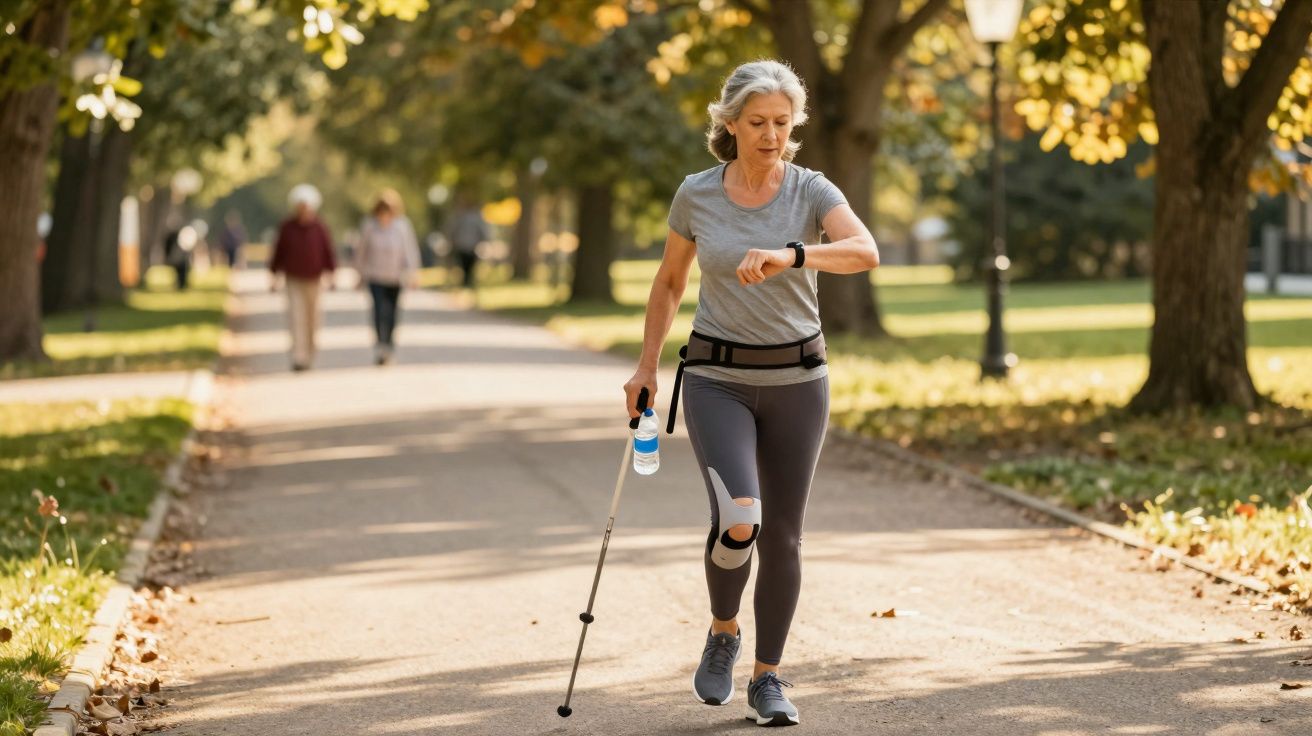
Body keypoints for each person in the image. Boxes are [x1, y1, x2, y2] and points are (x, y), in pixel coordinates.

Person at [622, 60, 878, 727]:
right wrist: (647, 366)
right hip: (717, 379)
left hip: (799, 382)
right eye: (757, 122)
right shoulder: (697, 194)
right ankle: (723, 631)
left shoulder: (811, 190)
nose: (770, 135)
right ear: (730, 122)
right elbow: (670, 283)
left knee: (784, 537)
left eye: (782, 124)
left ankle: (768, 678)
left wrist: (794, 254)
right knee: (741, 517)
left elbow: (865, 251)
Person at [270, 184, 336, 372]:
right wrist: (274, 276)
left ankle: (310, 352)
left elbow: (327, 252)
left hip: (315, 279)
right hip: (293, 279)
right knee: (296, 317)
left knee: (313, 318)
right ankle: (299, 356)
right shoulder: (287, 227)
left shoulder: (320, 227)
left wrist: (331, 274)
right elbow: (278, 253)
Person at [354, 189, 421, 365]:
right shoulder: (369, 226)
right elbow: (361, 251)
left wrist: (413, 272)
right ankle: (380, 344)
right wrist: (359, 273)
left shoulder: (402, 226)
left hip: (395, 277)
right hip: (375, 276)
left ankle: (389, 345)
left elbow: (410, 250)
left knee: (391, 313)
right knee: (378, 311)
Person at [445, 196, 489, 289]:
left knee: (468, 266)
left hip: (469, 246)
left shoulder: (465, 216)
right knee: (465, 266)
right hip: (464, 246)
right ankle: (466, 282)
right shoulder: (462, 216)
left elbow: (452, 230)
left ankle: (467, 282)